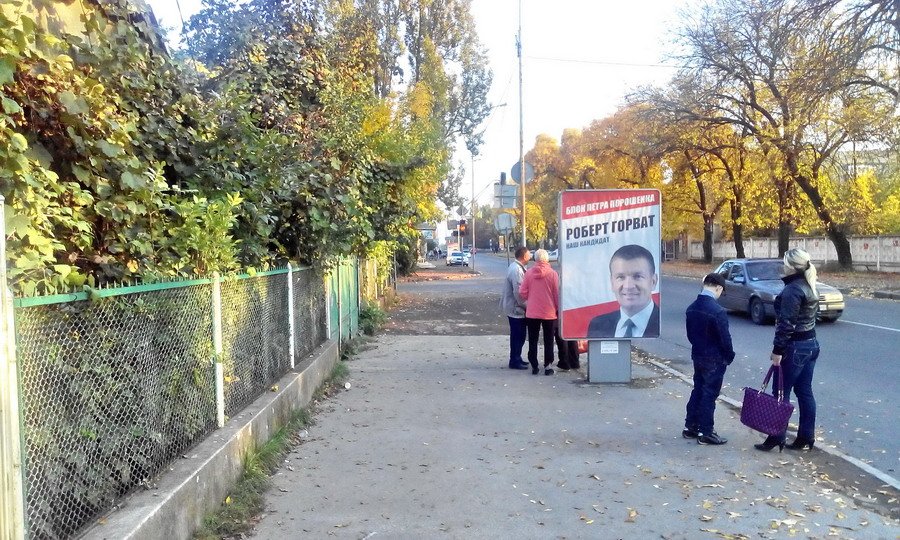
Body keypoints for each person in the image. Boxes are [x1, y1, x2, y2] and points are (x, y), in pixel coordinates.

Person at [755, 248, 820, 453]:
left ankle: (775, 437)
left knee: (780, 393)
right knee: (804, 392)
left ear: (791, 266)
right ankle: (805, 437)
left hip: (794, 347)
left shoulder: (793, 289)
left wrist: (777, 351)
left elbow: (786, 324)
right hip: (811, 344)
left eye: (784, 262)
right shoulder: (809, 285)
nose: (782, 266)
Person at [683, 273, 735, 446]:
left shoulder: (691, 308)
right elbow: (725, 338)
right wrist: (729, 355)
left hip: (698, 354)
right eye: (721, 291)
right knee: (709, 394)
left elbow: (690, 335)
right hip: (714, 358)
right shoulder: (717, 311)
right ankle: (706, 432)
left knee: (698, 389)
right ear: (718, 288)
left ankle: (691, 426)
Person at [587, 244, 660, 338]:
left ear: (653, 282)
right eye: (620, 277)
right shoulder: (597, 325)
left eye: (637, 276)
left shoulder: (665, 325)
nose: (628, 286)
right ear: (612, 282)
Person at [519, 249, 560, 375]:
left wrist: (530, 298)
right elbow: (556, 294)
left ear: (535, 259)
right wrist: (557, 308)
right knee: (548, 340)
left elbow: (522, 292)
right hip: (549, 312)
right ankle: (548, 366)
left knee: (533, 339)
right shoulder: (553, 274)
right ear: (547, 259)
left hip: (532, 312)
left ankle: (534, 365)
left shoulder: (529, 273)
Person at [501, 247, 531, 370]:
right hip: (516, 308)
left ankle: (517, 357)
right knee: (518, 335)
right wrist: (528, 306)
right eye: (529, 254)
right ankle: (514, 360)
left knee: (519, 335)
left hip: (515, 308)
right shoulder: (516, 270)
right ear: (523, 256)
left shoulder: (516, 267)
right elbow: (519, 293)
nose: (530, 256)